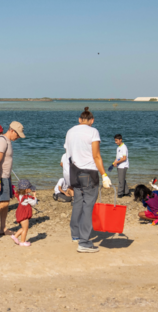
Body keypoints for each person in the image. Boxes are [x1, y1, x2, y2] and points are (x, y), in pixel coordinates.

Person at [65, 107, 112, 253]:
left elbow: (68, 154)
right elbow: (96, 155)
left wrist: (68, 180)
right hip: (89, 172)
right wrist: (104, 175)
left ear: (80, 120)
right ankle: (84, 242)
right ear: (92, 120)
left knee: (78, 203)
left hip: (74, 172)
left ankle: (76, 235)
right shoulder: (93, 131)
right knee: (88, 206)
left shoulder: (70, 131)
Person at [0, 121, 26, 240]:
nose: (18, 137)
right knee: (4, 203)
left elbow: (7, 164)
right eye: (17, 135)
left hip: (5, 176)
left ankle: (2, 228)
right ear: (12, 130)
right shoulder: (2, 141)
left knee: (3, 204)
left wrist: (9, 180)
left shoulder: (7, 141)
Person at [11, 179, 38, 246]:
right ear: (26, 190)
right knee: (25, 228)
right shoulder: (26, 198)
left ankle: (15, 236)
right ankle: (22, 242)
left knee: (23, 228)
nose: (31, 190)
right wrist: (34, 196)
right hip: (24, 214)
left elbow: (18, 193)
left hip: (20, 212)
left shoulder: (20, 194)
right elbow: (34, 203)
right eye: (30, 188)